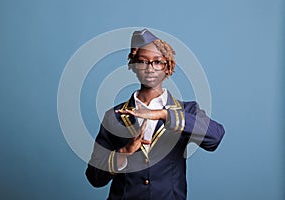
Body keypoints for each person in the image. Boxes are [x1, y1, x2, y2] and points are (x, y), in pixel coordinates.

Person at [86, 29, 225, 200]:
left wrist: (165, 115)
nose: (150, 68)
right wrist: (124, 151)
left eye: (157, 62)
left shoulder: (187, 111)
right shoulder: (114, 116)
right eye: (142, 61)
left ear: (168, 67)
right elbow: (94, 177)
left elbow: (215, 138)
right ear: (133, 66)